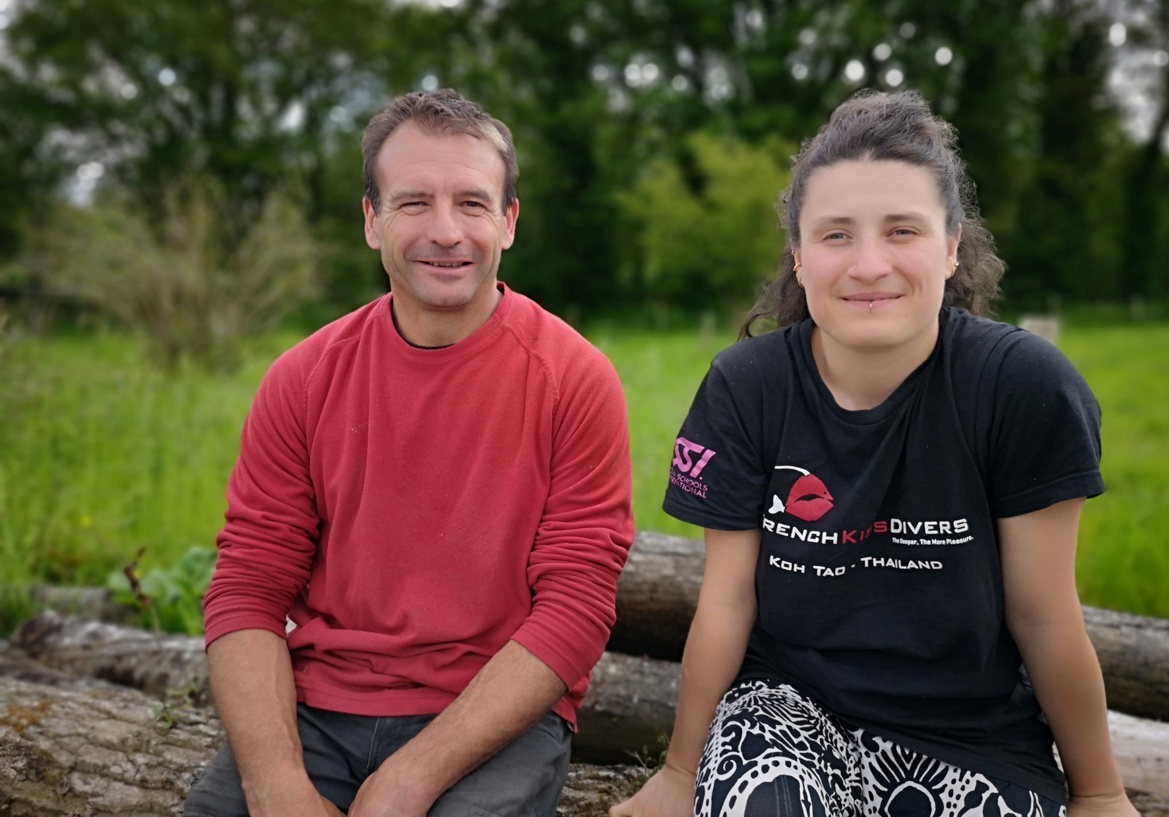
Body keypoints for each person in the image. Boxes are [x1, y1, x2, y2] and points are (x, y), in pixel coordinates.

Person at [611, 90, 1137, 817]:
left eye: (900, 230)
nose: (867, 264)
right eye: (834, 236)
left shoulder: (1023, 388)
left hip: (971, 731)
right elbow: (727, 599)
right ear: (797, 257)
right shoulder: (746, 386)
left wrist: (1100, 792)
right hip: (785, 713)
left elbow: (1044, 613)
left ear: (951, 246)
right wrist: (677, 774)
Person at [182, 89, 634, 817]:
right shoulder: (302, 378)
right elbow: (247, 587)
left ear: (509, 222)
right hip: (321, 706)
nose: (446, 231)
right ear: (372, 221)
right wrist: (275, 785)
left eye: (473, 203)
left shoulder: (574, 379)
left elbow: (576, 606)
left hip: (492, 717)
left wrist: (407, 778)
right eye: (414, 202)